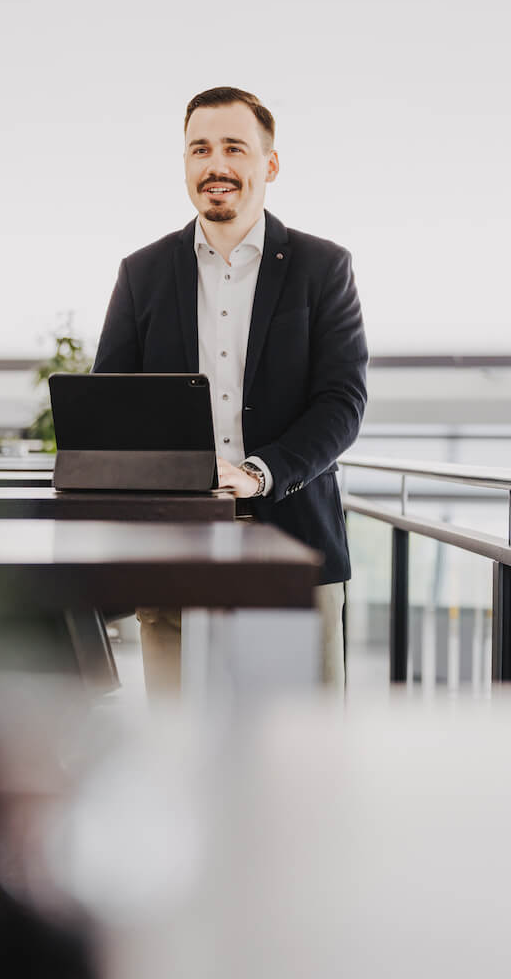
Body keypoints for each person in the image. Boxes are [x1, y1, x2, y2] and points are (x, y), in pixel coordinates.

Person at [93, 87, 368, 692]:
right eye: (200, 149)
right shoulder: (141, 272)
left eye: (234, 148)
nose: (215, 165)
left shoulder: (323, 268)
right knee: (178, 753)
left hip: (293, 545)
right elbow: (108, 405)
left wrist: (258, 471)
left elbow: (342, 401)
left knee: (299, 760)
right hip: (171, 552)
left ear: (268, 165)